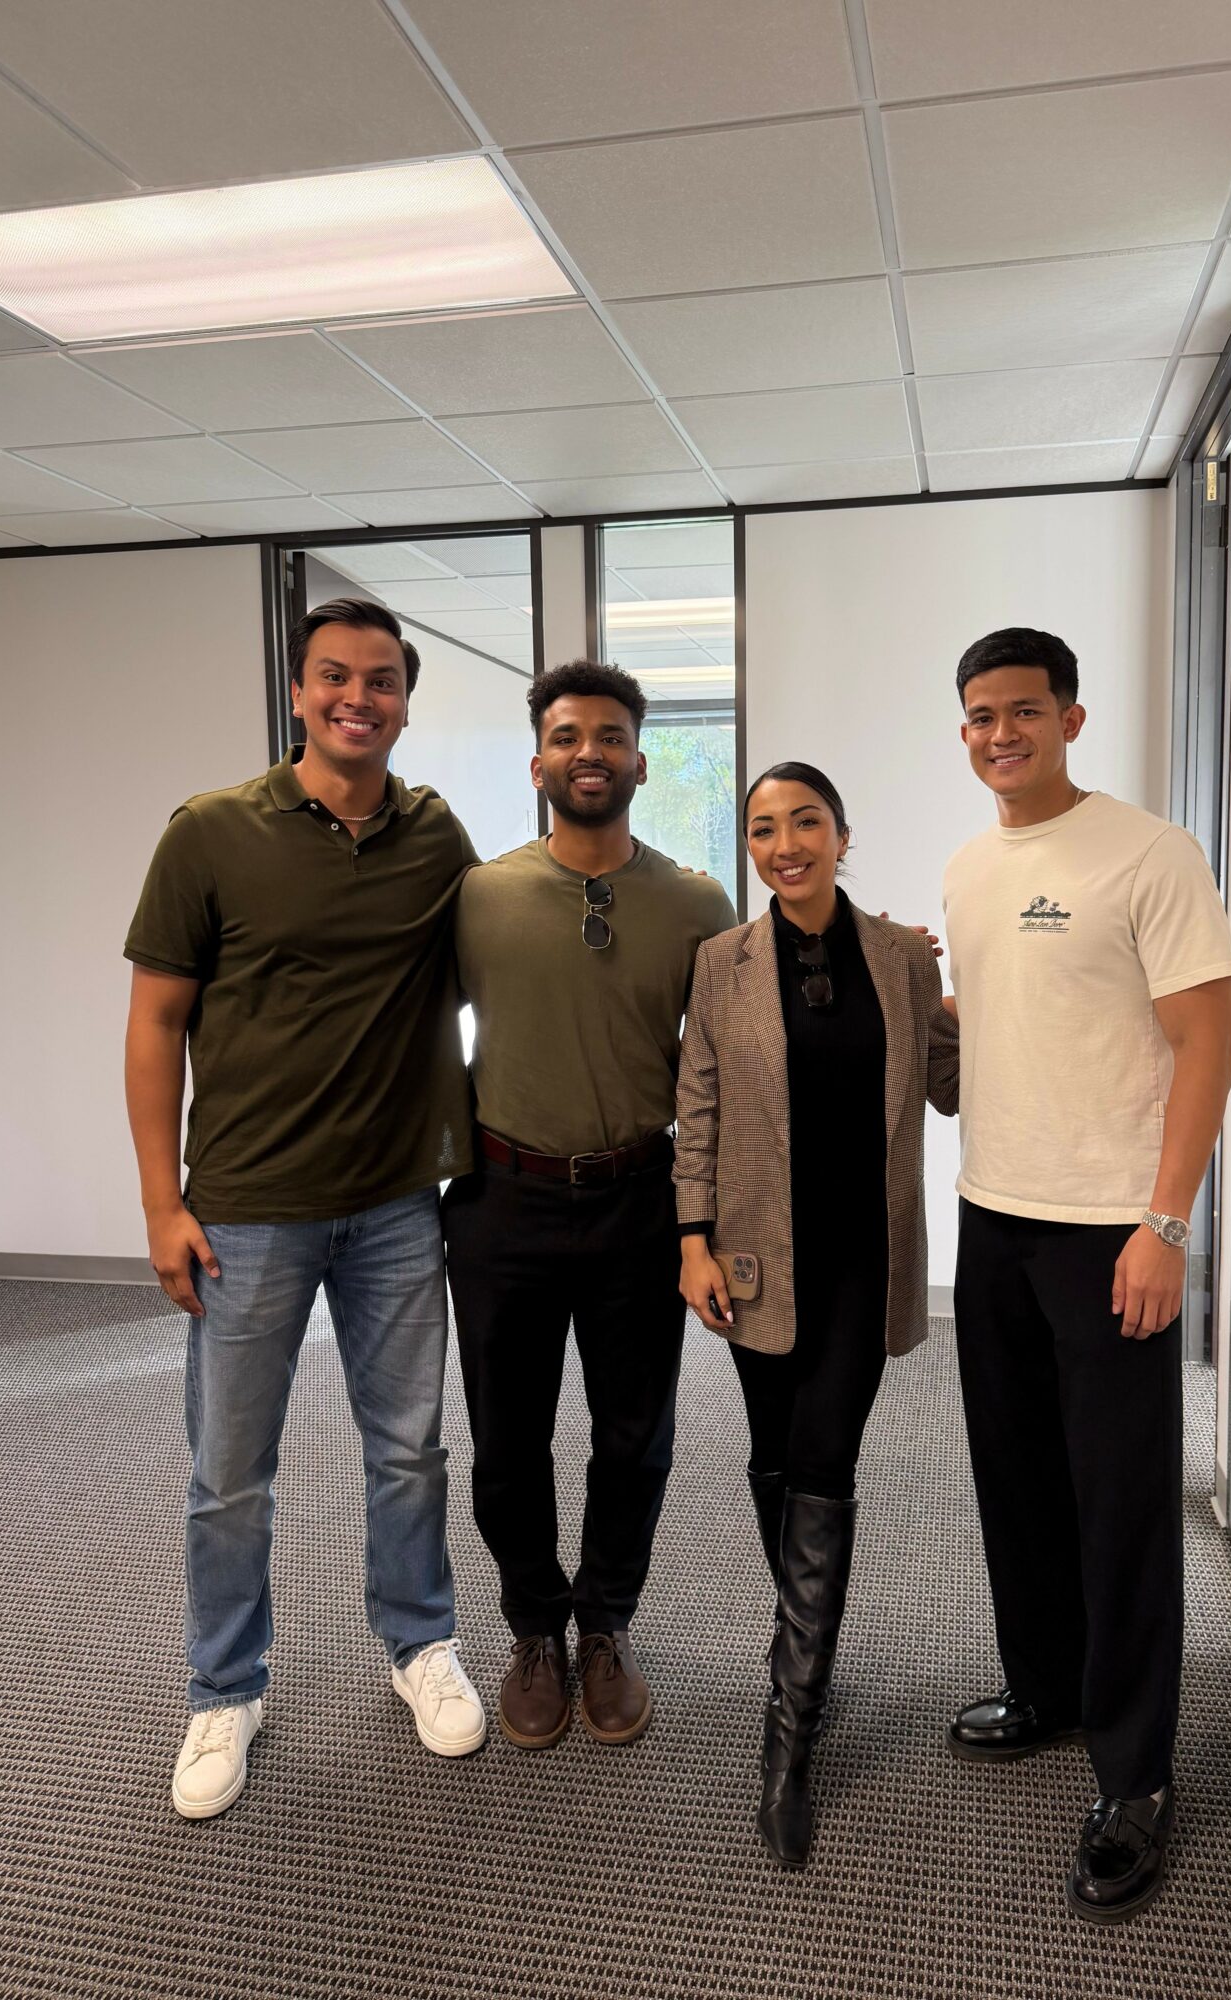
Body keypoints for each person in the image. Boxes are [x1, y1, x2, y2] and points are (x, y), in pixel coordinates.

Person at [124, 597, 487, 1821]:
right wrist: (160, 1201)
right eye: (335, 676)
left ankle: (419, 1640)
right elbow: (154, 1023)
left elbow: (521, 942)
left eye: (380, 680)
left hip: (397, 1203)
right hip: (247, 1208)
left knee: (410, 1449)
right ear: (297, 691)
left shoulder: (436, 836)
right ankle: (225, 1687)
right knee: (230, 1470)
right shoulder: (210, 832)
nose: (357, 698)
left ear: (405, 701)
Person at [941, 626, 1231, 1922]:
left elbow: (1207, 1040)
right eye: (979, 715)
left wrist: (1166, 1224)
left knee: (1121, 1507)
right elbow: (1006, 1019)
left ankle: (1135, 1775)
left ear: (1070, 717)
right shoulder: (969, 867)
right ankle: (1049, 1687)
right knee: (1018, 1482)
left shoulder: (1149, 854)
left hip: (1111, 1230)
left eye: (1022, 710)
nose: (999, 733)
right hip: (992, 1219)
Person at [443, 660, 737, 1752]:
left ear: (641, 762)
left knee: (635, 1436)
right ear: (538, 764)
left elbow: (733, 1057)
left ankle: (605, 1622)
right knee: (505, 1440)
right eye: (568, 736)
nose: (589, 753)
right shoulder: (478, 897)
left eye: (610, 736)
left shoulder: (696, 905)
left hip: (638, 1202)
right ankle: (534, 1628)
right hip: (502, 1200)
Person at [675, 763, 959, 1869]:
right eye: (764, 828)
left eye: (805, 823)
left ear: (844, 835)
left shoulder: (903, 957)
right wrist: (692, 1239)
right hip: (756, 1258)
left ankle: (788, 1735)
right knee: (774, 1457)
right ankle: (807, 1653)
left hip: (861, 1261)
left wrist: (989, 988)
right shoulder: (722, 964)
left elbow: (950, 1082)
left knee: (823, 1459)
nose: (785, 844)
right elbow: (698, 1106)